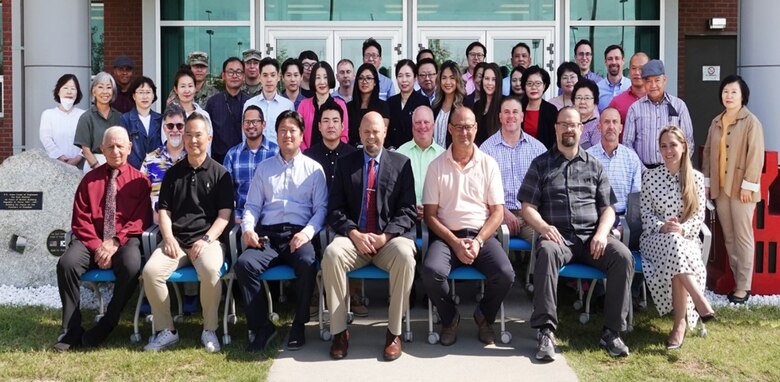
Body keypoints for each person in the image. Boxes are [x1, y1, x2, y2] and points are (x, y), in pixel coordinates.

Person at [518, 107, 633, 361]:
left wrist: (602, 234)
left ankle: (612, 332)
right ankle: (546, 331)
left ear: (582, 129)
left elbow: (608, 208)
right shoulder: (541, 164)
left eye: (574, 125)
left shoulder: (595, 166)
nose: (569, 129)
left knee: (623, 257)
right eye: (564, 125)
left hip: (594, 239)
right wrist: (544, 227)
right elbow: (527, 207)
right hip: (560, 239)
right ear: (556, 128)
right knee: (546, 251)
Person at [322, 111, 417, 361]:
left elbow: (408, 211)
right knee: (331, 254)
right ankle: (340, 332)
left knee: (406, 256)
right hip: (355, 240)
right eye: (366, 132)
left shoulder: (402, 163)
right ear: (359, 134)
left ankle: (394, 332)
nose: (371, 136)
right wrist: (353, 234)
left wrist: (385, 237)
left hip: (388, 241)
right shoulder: (346, 164)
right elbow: (335, 209)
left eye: (376, 131)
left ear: (385, 132)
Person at [422, 106, 515, 346]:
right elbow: (430, 215)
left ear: (476, 128)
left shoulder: (489, 164)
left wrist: (478, 241)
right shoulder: (436, 165)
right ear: (450, 129)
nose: (465, 132)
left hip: (480, 236)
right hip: (446, 237)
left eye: (469, 127)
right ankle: (450, 318)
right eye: (459, 127)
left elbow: (496, 213)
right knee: (431, 273)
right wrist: (454, 242)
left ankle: (484, 316)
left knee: (505, 274)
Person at [235, 110, 327, 352]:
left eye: (292, 130)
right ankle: (263, 325)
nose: (287, 135)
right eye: (283, 130)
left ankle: (299, 323)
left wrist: (307, 233)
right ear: (275, 134)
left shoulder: (314, 169)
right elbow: (252, 206)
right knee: (244, 265)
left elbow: (321, 210)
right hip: (269, 235)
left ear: (302, 135)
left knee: (308, 262)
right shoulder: (265, 168)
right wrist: (248, 229)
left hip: (299, 235)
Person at [142, 112, 234, 353]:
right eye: (189, 135)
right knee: (151, 272)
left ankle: (210, 329)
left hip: (207, 240)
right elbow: (163, 211)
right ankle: (167, 330)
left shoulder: (220, 173)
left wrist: (206, 239)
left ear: (209, 138)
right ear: (183, 137)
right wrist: (169, 238)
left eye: (198, 135)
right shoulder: (173, 174)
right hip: (176, 241)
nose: (193, 140)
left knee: (212, 271)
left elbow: (224, 215)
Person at [54, 127, 152, 351]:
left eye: (120, 146)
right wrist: (98, 246)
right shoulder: (89, 180)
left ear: (130, 147)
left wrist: (115, 242)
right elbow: (80, 220)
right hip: (91, 241)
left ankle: (108, 322)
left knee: (131, 265)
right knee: (66, 264)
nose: (116, 151)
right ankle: (72, 327)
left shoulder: (141, 182)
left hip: (124, 240)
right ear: (101, 149)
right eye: (110, 146)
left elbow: (139, 220)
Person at [639, 126, 716, 349]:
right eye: (663, 146)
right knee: (674, 246)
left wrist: (681, 229)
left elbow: (699, 215)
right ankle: (698, 302)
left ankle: (679, 324)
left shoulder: (697, 179)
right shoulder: (650, 177)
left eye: (673, 144)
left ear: (684, 147)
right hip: (654, 239)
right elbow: (646, 215)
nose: (668, 150)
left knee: (676, 249)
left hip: (687, 240)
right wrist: (664, 226)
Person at [702, 75, 765, 304]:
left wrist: (749, 185)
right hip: (721, 189)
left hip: (741, 190)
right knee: (729, 238)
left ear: (743, 96)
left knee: (743, 237)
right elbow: (708, 153)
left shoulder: (751, 122)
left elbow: (756, 155)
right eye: (726, 91)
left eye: (733, 92)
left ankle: (743, 286)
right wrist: (707, 183)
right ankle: (736, 281)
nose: (728, 96)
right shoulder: (716, 121)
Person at [480, 96, 546, 242]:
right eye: (507, 112)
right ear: (500, 117)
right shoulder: (486, 150)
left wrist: (532, 214)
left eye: (515, 112)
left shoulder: (538, 149)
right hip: (497, 214)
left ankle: (526, 266)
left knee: (544, 243)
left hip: (530, 216)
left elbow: (545, 187)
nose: (511, 116)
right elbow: (481, 189)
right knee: (488, 243)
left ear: (522, 116)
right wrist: (503, 212)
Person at [624, 59, 694, 168]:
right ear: (643, 82)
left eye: (657, 80)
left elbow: (688, 140)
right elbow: (627, 143)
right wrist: (642, 170)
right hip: (644, 171)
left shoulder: (679, 106)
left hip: (673, 170)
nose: (653, 85)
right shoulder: (635, 109)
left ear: (664, 80)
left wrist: (679, 167)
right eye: (648, 81)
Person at [224, 105, 279, 223]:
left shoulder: (276, 152)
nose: (251, 126)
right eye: (247, 122)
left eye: (255, 122)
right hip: (241, 217)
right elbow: (226, 193)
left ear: (263, 124)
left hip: (271, 217)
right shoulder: (232, 155)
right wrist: (234, 217)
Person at [586, 107, 644, 216]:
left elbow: (635, 198)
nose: (611, 126)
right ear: (599, 127)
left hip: (624, 219)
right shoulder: (587, 157)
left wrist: (624, 225)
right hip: (594, 219)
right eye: (606, 122)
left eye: (615, 122)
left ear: (621, 128)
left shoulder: (631, 158)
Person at [396, 105, 446, 219]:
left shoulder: (444, 156)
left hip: (438, 219)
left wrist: (432, 209)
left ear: (433, 125)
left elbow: (449, 193)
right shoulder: (399, 154)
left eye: (426, 122)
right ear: (412, 125)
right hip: (405, 217)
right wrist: (411, 207)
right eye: (418, 122)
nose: (422, 126)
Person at [140, 105, 188, 221]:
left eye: (180, 126)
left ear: (186, 127)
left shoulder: (194, 158)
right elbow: (140, 195)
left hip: (188, 223)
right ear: (164, 128)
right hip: (157, 225)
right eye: (170, 126)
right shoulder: (150, 160)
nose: (175, 130)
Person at [205, 57, 252, 165]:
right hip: (218, 161)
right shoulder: (213, 103)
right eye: (230, 72)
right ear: (223, 76)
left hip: (244, 160)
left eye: (238, 72)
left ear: (243, 76)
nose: (235, 75)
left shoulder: (250, 102)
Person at [74, 72, 123, 173]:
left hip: (117, 165)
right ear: (93, 91)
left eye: (109, 87)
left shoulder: (120, 117)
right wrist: (98, 168)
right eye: (100, 87)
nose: (105, 91)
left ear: (113, 91)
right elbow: (85, 150)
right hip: (94, 166)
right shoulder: (86, 117)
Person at [297, 61, 349, 150]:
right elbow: (298, 133)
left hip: (334, 158)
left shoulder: (340, 104)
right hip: (308, 158)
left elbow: (344, 135)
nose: (322, 82)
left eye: (325, 77)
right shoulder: (303, 105)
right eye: (317, 78)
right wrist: (307, 153)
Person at [243, 57, 295, 145]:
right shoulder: (250, 104)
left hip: (280, 155)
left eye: (273, 75)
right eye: (265, 75)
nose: (269, 79)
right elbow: (245, 134)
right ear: (259, 77)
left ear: (278, 77)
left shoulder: (288, 105)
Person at [39, 74, 86, 167]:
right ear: (58, 91)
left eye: (73, 88)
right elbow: (46, 138)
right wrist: (59, 156)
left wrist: (78, 158)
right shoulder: (48, 114)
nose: (69, 91)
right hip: (55, 165)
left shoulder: (84, 115)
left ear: (77, 93)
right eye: (65, 88)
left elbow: (88, 140)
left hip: (81, 165)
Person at [120, 76, 162, 169]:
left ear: (153, 95)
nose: (145, 96)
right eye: (141, 92)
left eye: (148, 92)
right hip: (133, 171)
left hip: (157, 171)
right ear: (134, 96)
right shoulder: (125, 119)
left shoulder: (161, 119)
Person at [386, 59, 429, 149]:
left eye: (408, 75)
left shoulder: (422, 101)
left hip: (415, 151)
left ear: (415, 77)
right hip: (393, 152)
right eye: (400, 76)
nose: (404, 80)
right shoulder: (390, 102)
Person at [346, 63, 390, 146]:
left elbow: (381, 135)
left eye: (369, 78)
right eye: (361, 78)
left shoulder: (383, 107)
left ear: (375, 82)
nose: (364, 81)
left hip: (374, 151)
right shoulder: (348, 107)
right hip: (352, 152)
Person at [520, 65, 557, 149]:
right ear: (524, 86)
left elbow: (554, 141)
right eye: (529, 84)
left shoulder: (551, 110)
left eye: (538, 83)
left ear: (544, 86)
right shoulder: (519, 107)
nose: (533, 87)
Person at [607, 52, 649, 125]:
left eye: (641, 69)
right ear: (629, 70)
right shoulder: (617, 102)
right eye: (633, 68)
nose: (637, 72)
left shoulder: (657, 100)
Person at [431, 61, 466, 147]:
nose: (447, 82)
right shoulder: (435, 104)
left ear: (457, 80)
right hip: (434, 156)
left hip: (454, 157)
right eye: (444, 78)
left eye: (452, 78)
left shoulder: (465, 104)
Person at [473, 63, 503, 145]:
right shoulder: (477, 105)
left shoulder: (504, 104)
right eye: (487, 78)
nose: (489, 83)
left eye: (494, 79)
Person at [597, 45, 631, 112]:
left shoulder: (631, 86)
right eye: (610, 59)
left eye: (617, 58)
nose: (613, 62)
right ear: (605, 62)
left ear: (623, 61)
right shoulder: (597, 88)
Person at [573, 80, 601, 149]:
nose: (582, 102)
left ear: (595, 102)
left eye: (587, 98)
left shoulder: (597, 127)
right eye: (578, 97)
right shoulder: (568, 124)